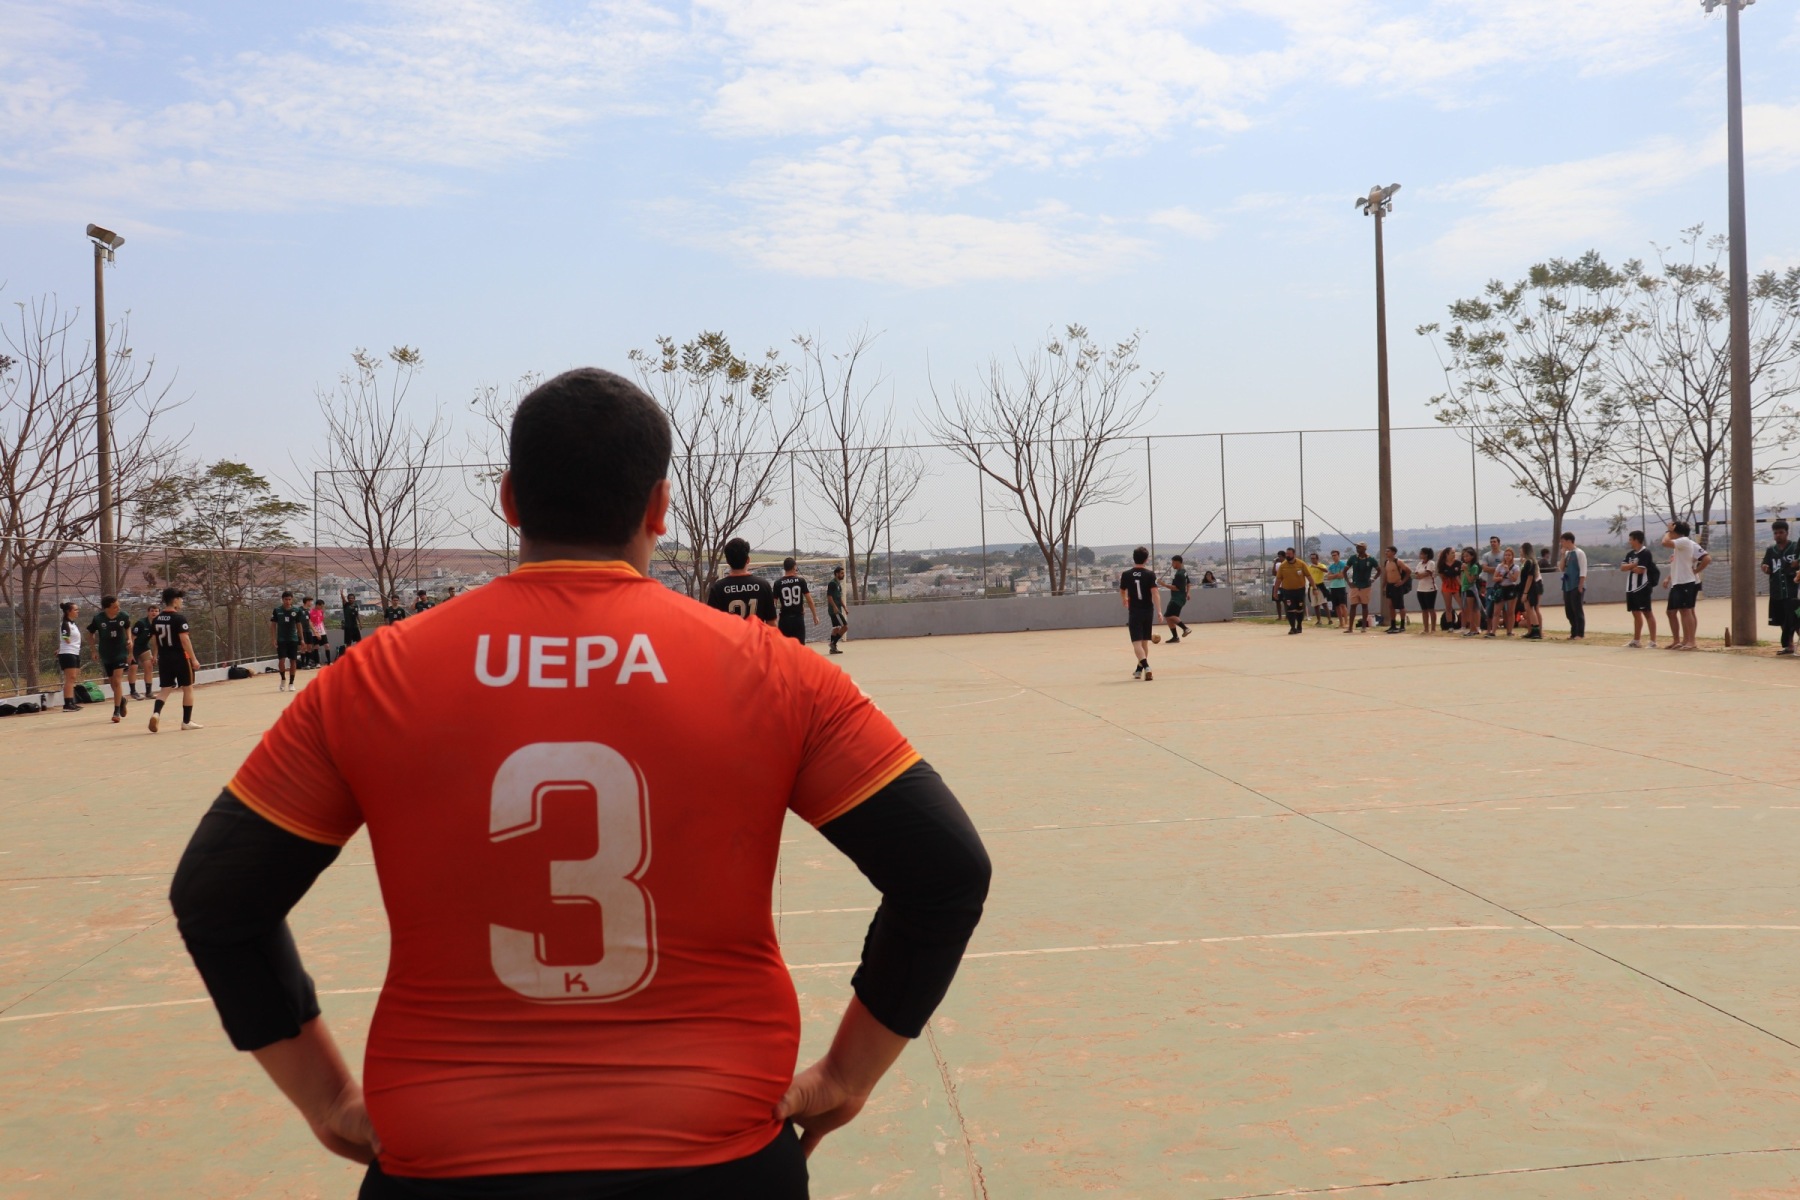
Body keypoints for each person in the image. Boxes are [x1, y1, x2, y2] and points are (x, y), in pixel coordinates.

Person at [168, 367, 990, 1197]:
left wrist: (328, 1100)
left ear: (508, 499)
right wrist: (847, 1075)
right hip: (717, 1154)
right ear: (660, 507)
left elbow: (217, 898)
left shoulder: (372, 676)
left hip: (446, 1154)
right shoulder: (779, 674)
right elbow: (946, 872)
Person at [150, 587, 202, 732]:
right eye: (180, 599)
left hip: (164, 658)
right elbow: (185, 640)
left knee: (165, 689)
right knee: (188, 688)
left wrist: (156, 654)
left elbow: (154, 640)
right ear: (175, 600)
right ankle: (186, 721)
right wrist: (194, 659)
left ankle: (156, 713)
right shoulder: (179, 618)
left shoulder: (156, 619)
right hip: (180, 658)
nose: (181, 602)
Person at [1662, 520, 1711, 651]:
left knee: (1687, 610)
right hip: (1677, 581)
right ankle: (1679, 640)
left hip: (1687, 581)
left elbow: (1707, 558)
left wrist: (1696, 571)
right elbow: (1678, 564)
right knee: (1671, 612)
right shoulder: (1678, 545)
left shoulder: (1685, 541)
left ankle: (1690, 640)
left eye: (1672, 531)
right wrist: (1669, 577)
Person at [707, 538, 777, 623]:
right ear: (748, 560)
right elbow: (771, 623)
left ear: (727, 561)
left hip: (730, 632)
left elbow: (712, 622)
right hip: (754, 632)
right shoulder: (763, 585)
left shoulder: (718, 588)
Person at [88, 595, 133, 722]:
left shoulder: (123, 616)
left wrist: (129, 638)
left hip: (120, 652)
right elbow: (90, 633)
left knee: (117, 681)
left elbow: (128, 626)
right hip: (106, 653)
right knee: (113, 683)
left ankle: (116, 711)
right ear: (107, 608)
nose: (118, 609)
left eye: (118, 606)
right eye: (115, 607)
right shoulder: (98, 619)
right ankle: (122, 700)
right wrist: (93, 650)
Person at [1762, 519, 1800, 655]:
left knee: (1796, 619)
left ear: (1787, 533)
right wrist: (1765, 568)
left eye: (1781, 532)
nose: (1778, 535)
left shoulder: (1795, 547)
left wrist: (1796, 565)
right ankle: (1789, 646)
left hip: (1793, 591)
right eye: (1775, 533)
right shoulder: (1770, 550)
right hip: (1777, 591)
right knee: (1783, 620)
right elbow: (1766, 565)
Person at [1120, 547, 1159, 678]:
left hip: (1135, 611)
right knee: (1144, 643)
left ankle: (1146, 667)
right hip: (1148, 611)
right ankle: (1138, 670)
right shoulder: (1150, 574)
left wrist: (1124, 599)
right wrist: (1159, 611)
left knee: (1136, 643)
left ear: (1133, 558)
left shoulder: (1126, 574)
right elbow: (1155, 593)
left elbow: (1122, 590)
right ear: (1146, 559)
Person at [1621, 530, 1660, 649]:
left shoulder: (1645, 553)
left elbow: (1640, 570)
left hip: (1642, 587)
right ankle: (1636, 640)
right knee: (1635, 613)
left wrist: (1630, 567)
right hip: (1631, 587)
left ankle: (1653, 641)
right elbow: (1622, 567)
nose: (1629, 541)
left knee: (1647, 612)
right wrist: (1633, 565)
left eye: (1630, 539)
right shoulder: (1630, 554)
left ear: (1637, 540)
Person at [773, 558, 817, 643]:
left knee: (784, 646)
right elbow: (809, 600)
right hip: (798, 618)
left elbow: (773, 603)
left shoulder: (778, 583)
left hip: (784, 619)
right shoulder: (801, 581)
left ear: (784, 568)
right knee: (800, 646)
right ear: (794, 567)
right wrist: (815, 615)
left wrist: (773, 619)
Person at [272, 592, 307, 692]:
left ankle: (291, 683)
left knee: (293, 661)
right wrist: (273, 638)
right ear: (282, 599)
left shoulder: (296, 610)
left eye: (289, 599)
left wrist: (302, 639)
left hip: (293, 639)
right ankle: (283, 679)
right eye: (286, 599)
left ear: (292, 600)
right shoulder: (277, 610)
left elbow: (299, 625)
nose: (287, 601)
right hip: (281, 639)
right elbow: (273, 625)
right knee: (281, 660)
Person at [1558, 532, 1588, 640]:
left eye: (1563, 541)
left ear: (1569, 541)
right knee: (1569, 611)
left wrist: (1580, 585)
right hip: (1567, 585)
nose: (1561, 544)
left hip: (1576, 585)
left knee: (1577, 610)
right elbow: (1561, 568)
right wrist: (1562, 555)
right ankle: (1573, 632)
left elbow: (1583, 570)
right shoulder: (1567, 554)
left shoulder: (1579, 553)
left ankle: (1580, 633)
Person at [1343, 542, 1377, 633]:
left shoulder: (1371, 559)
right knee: (1353, 606)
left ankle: (1363, 627)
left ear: (1365, 549)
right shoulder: (1353, 558)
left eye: (1359, 547)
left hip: (1366, 586)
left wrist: (1373, 578)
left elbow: (1379, 570)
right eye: (1357, 547)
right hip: (1355, 585)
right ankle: (1350, 628)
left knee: (1364, 605)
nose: (1357, 549)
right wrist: (1348, 582)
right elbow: (1344, 571)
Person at [1274, 548, 1308, 635]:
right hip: (1287, 591)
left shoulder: (1301, 564)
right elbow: (1278, 579)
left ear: (1294, 554)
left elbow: (1309, 576)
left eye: (1289, 554)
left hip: (1300, 590)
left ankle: (1299, 625)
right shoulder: (1283, 566)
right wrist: (1275, 591)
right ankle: (1292, 627)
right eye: (1287, 554)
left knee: (1299, 609)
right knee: (1290, 609)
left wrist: (1314, 587)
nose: (1287, 555)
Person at [56, 601, 82, 713]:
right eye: (75, 610)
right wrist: (65, 645)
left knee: (73, 678)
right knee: (70, 678)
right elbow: (65, 637)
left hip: (74, 652)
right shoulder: (65, 623)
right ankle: (67, 703)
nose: (77, 611)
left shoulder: (73, 624)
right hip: (68, 653)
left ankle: (71, 702)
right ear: (68, 611)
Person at [130, 602, 160, 700]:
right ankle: (133, 692)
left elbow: (155, 641)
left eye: (156, 611)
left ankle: (149, 692)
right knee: (133, 667)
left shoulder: (156, 625)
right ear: (148, 612)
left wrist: (155, 655)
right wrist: (130, 654)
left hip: (143, 647)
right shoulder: (141, 623)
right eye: (152, 611)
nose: (154, 613)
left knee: (149, 666)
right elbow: (132, 638)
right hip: (134, 647)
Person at [1488, 547, 1520, 638]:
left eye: (1509, 555)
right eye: (1505, 555)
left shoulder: (1516, 567)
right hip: (1501, 588)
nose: (1507, 557)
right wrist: (1499, 578)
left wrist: (1508, 571)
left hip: (1511, 588)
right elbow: (1494, 578)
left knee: (1510, 612)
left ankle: (1509, 631)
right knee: (1496, 611)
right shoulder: (1499, 566)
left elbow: (1514, 579)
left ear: (1512, 556)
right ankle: (1493, 631)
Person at [1378, 546, 1411, 635]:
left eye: (1388, 551)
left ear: (1393, 552)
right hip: (1390, 586)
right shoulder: (1386, 562)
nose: (1386, 553)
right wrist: (1383, 586)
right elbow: (1386, 575)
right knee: (1391, 606)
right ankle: (1393, 625)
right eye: (1386, 551)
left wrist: (1402, 582)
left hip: (1397, 586)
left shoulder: (1398, 562)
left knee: (1400, 606)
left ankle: (1402, 625)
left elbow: (1408, 571)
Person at [1164, 555, 1192, 642]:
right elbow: (1188, 583)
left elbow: (1176, 588)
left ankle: (1185, 628)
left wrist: (1163, 584)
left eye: (1173, 562)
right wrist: (1188, 593)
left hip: (1177, 598)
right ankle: (1175, 637)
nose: (1172, 564)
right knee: (1169, 617)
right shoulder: (1184, 572)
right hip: (1180, 598)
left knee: (1169, 615)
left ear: (1177, 562)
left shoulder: (1179, 574)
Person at [1413, 548, 1438, 634]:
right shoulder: (1419, 564)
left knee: (1431, 608)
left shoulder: (1431, 563)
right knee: (1424, 609)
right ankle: (1426, 628)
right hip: (1420, 589)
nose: (1420, 555)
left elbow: (1427, 573)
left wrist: (1421, 575)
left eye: (1422, 553)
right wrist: (1420, 575)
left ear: (1426, 554)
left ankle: (1433, 628)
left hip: (1430, 589)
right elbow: (1416, 575)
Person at [1459, 548, 1483, 637]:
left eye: (1467, 556)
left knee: (1472, 610)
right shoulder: (1465, 565)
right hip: (1465, 588)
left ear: (1472, 556)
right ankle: (1473, 628)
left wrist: (1466, 570)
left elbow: (1470, 580)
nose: (1465, 558)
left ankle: (1473, 629)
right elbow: (1463, 578)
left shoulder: (1474, 567)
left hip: (1470, 589)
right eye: (1464, 556)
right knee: (1468, 610)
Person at [1437, 547, 1462, 632]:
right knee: (1448, 607)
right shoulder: (1442, 564)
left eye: (1454, 552)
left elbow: (1461, 575)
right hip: (1447, 586)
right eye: (1452, 553)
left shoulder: (1458, 563)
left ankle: (1463, 623)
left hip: (1456, 586)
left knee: (1463, 605)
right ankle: (1450, 626)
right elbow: (1442, 577)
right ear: (1447, 554)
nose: (1454, 554)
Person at [826, 566, 850, 655]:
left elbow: (839, 598)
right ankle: (833, 643)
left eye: (843, 573)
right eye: (841, 573)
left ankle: (833, 649)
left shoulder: (838, 584)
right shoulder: (832, 583)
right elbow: (829, 597)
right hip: (834, 610)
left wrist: (844, 607)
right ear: (836, 574)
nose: (843, 575)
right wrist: (834, 607)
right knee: (845, 626)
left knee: (836, 628)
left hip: (837, 609)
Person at [1323, 550, 1348, 629]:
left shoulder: (1342, 564)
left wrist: (1334, 575)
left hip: (1341, 587)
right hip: (1333, 587)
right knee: (1336, 606)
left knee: (1343, 605)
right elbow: (1328, 577)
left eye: (1335, 555)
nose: (1334, 557)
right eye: (1332, 555)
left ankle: (1346, 622)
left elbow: (1342, 575)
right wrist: (1336, 575)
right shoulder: (1331, 566)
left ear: (1338, 555)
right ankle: (1341, 623)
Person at [1304, 552, 1329, 625]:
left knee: (1324, 603)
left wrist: (1317, 567)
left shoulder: (1321, 565)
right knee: (1315, 604)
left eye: (1314, 558)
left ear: (1317, 559)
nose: (1312, 560)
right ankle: (1319, 620)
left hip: (1320, 586)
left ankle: (1329, 619)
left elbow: (1326, 570)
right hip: (1312, 587)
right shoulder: (1309, 567)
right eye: (1311, 558)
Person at [310, 598, 330, 667]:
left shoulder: (321, 611)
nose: (322, 607)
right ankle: (317, 663)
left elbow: (321, 621)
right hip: (315, 631)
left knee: (327, 645)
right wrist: (315, 632)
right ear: (317, 605)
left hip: (322, 631)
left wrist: (324, 629)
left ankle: (329, 662)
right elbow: (311, 623)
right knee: (316, 646)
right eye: (321, 606)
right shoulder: (311, 612)